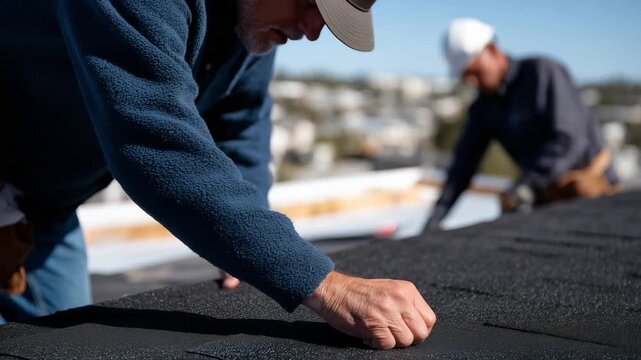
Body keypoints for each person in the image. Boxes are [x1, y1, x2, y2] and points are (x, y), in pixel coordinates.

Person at [0, 0, 436, 349]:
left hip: (42, 212)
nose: (313, 28)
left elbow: (241, 120)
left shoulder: (254, 25)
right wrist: (326, 286)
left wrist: (249, 245)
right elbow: (154, 142)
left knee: (66, 343)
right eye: (310, 4)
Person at [424, 18, 620, 231]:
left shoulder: (542, 74)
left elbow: (570, 140)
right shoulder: (483, 107)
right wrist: (435, 218)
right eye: (465, 77)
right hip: (545, 194)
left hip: (590, 187)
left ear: (492, 50)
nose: (472, 82)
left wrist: (525, 184)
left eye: (475, 72)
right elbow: (463, 166)